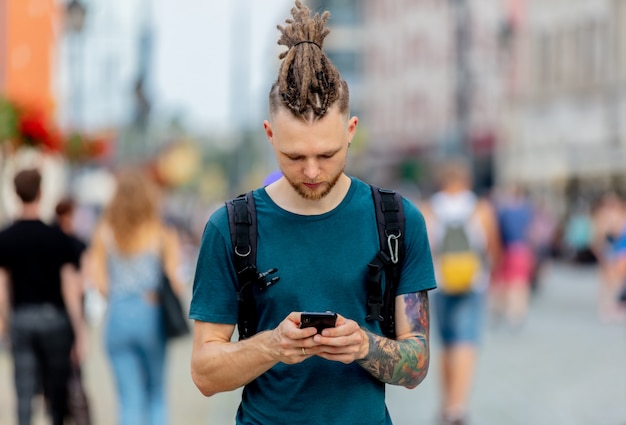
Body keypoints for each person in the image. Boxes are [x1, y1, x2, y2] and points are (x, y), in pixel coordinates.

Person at [189, 2, 437, 424]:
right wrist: (272, 346)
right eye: (293, 155)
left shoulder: (397, 221)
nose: (310, 170)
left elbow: (416, 365)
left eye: (326, 153)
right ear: (269, 134)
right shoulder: (231, 227)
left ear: (351, 130)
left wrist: (363, 345)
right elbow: (204, 373)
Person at [89, 168, 185, 425]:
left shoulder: (104, 233)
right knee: (156, 395)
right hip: (151, 314)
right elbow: (175, 282)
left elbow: (99, 284)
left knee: (128, 399)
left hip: (118, 315)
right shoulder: (162, 233)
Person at [0, 168, 85, 425]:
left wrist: (5, 320)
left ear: (16, 194)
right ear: (41, 192)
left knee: (24, 392)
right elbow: (70, 287)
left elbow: (2, 286)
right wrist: (79, 330)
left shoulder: (6, 237)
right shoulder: (57, 237)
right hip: (54, 319)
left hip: (22, 317)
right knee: (56, 391)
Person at [422, 159, 501, 425]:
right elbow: (492, 247)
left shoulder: (429, 208)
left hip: (439, 283)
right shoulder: (481, 208)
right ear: (466, 181)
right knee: (466, 342)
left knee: (445, 344)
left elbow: (422, 247)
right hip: (472, 282)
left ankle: (446, 404)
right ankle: (458, 407)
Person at [491, 184, 535, 328]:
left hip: (506, 250)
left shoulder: (504, 212)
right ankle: (518, 313)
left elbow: (498, 233)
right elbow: (531, 233)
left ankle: (505, 311)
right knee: (520, 284)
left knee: (506, 284)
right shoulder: (527, 211)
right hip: (523, 250)